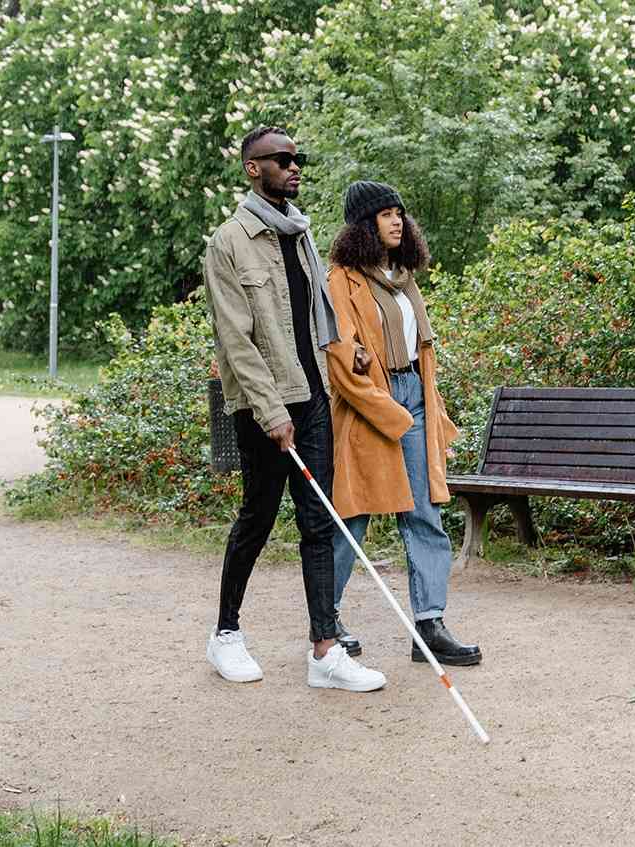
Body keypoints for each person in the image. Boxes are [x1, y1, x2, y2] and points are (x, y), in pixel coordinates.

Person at [201, 126, 386, 692]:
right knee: (257, 517)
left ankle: (324, 650)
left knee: (319, 522)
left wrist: (344, 351)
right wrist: (269, 410)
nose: (294, 165)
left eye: (296, 157)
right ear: (252, 169)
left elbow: (311, 317)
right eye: (281, 159)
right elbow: (237, 341)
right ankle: (225, 635)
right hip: (265, 405)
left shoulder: (301, 233)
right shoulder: (228, 243)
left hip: (312, 399)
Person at [323, 180, 482, 667]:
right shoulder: (341, 281)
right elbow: (340, 359)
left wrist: (424, 410)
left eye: (400, 212)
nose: (397, 220)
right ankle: (324, 621)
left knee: (425, 515)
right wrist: (389, 410)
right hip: (371, 406)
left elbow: (421, 352)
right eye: (385, 214)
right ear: (364, 225)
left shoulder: (404, 278)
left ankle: (429, 626)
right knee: (353, 517)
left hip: (413, 397)